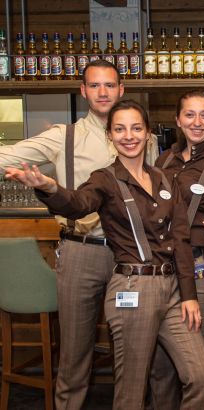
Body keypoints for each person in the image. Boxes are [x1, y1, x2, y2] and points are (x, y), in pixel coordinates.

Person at [5, 100, 204, 410]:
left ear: (147, 134)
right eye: (119, 129)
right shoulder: (104, 178)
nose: (128, 136)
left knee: (202, 376)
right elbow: (78, 203)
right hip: (132, 289)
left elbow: (181, 240)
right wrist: (50, 188)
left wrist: (189, 295)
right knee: (131, 391)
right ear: (110, 135)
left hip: (172, 292)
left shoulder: (165, 179)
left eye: (135, 128)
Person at [0, 59, 158, 410]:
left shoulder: (147, 139)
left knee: (133, 354)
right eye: (95, 86)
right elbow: (6, 156)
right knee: (74, 355)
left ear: (122, 89)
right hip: (81, 251)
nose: (104, 92)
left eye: (110, 85)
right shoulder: (63, 135)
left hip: (130, 258)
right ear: (83, 91)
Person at [147, 90, 204, 409]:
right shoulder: (164, 160)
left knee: (196, 363)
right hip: (163, 269)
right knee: (159, 366)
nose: (196, 122)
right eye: (189, 114)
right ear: (177, 119)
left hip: (199, 267)